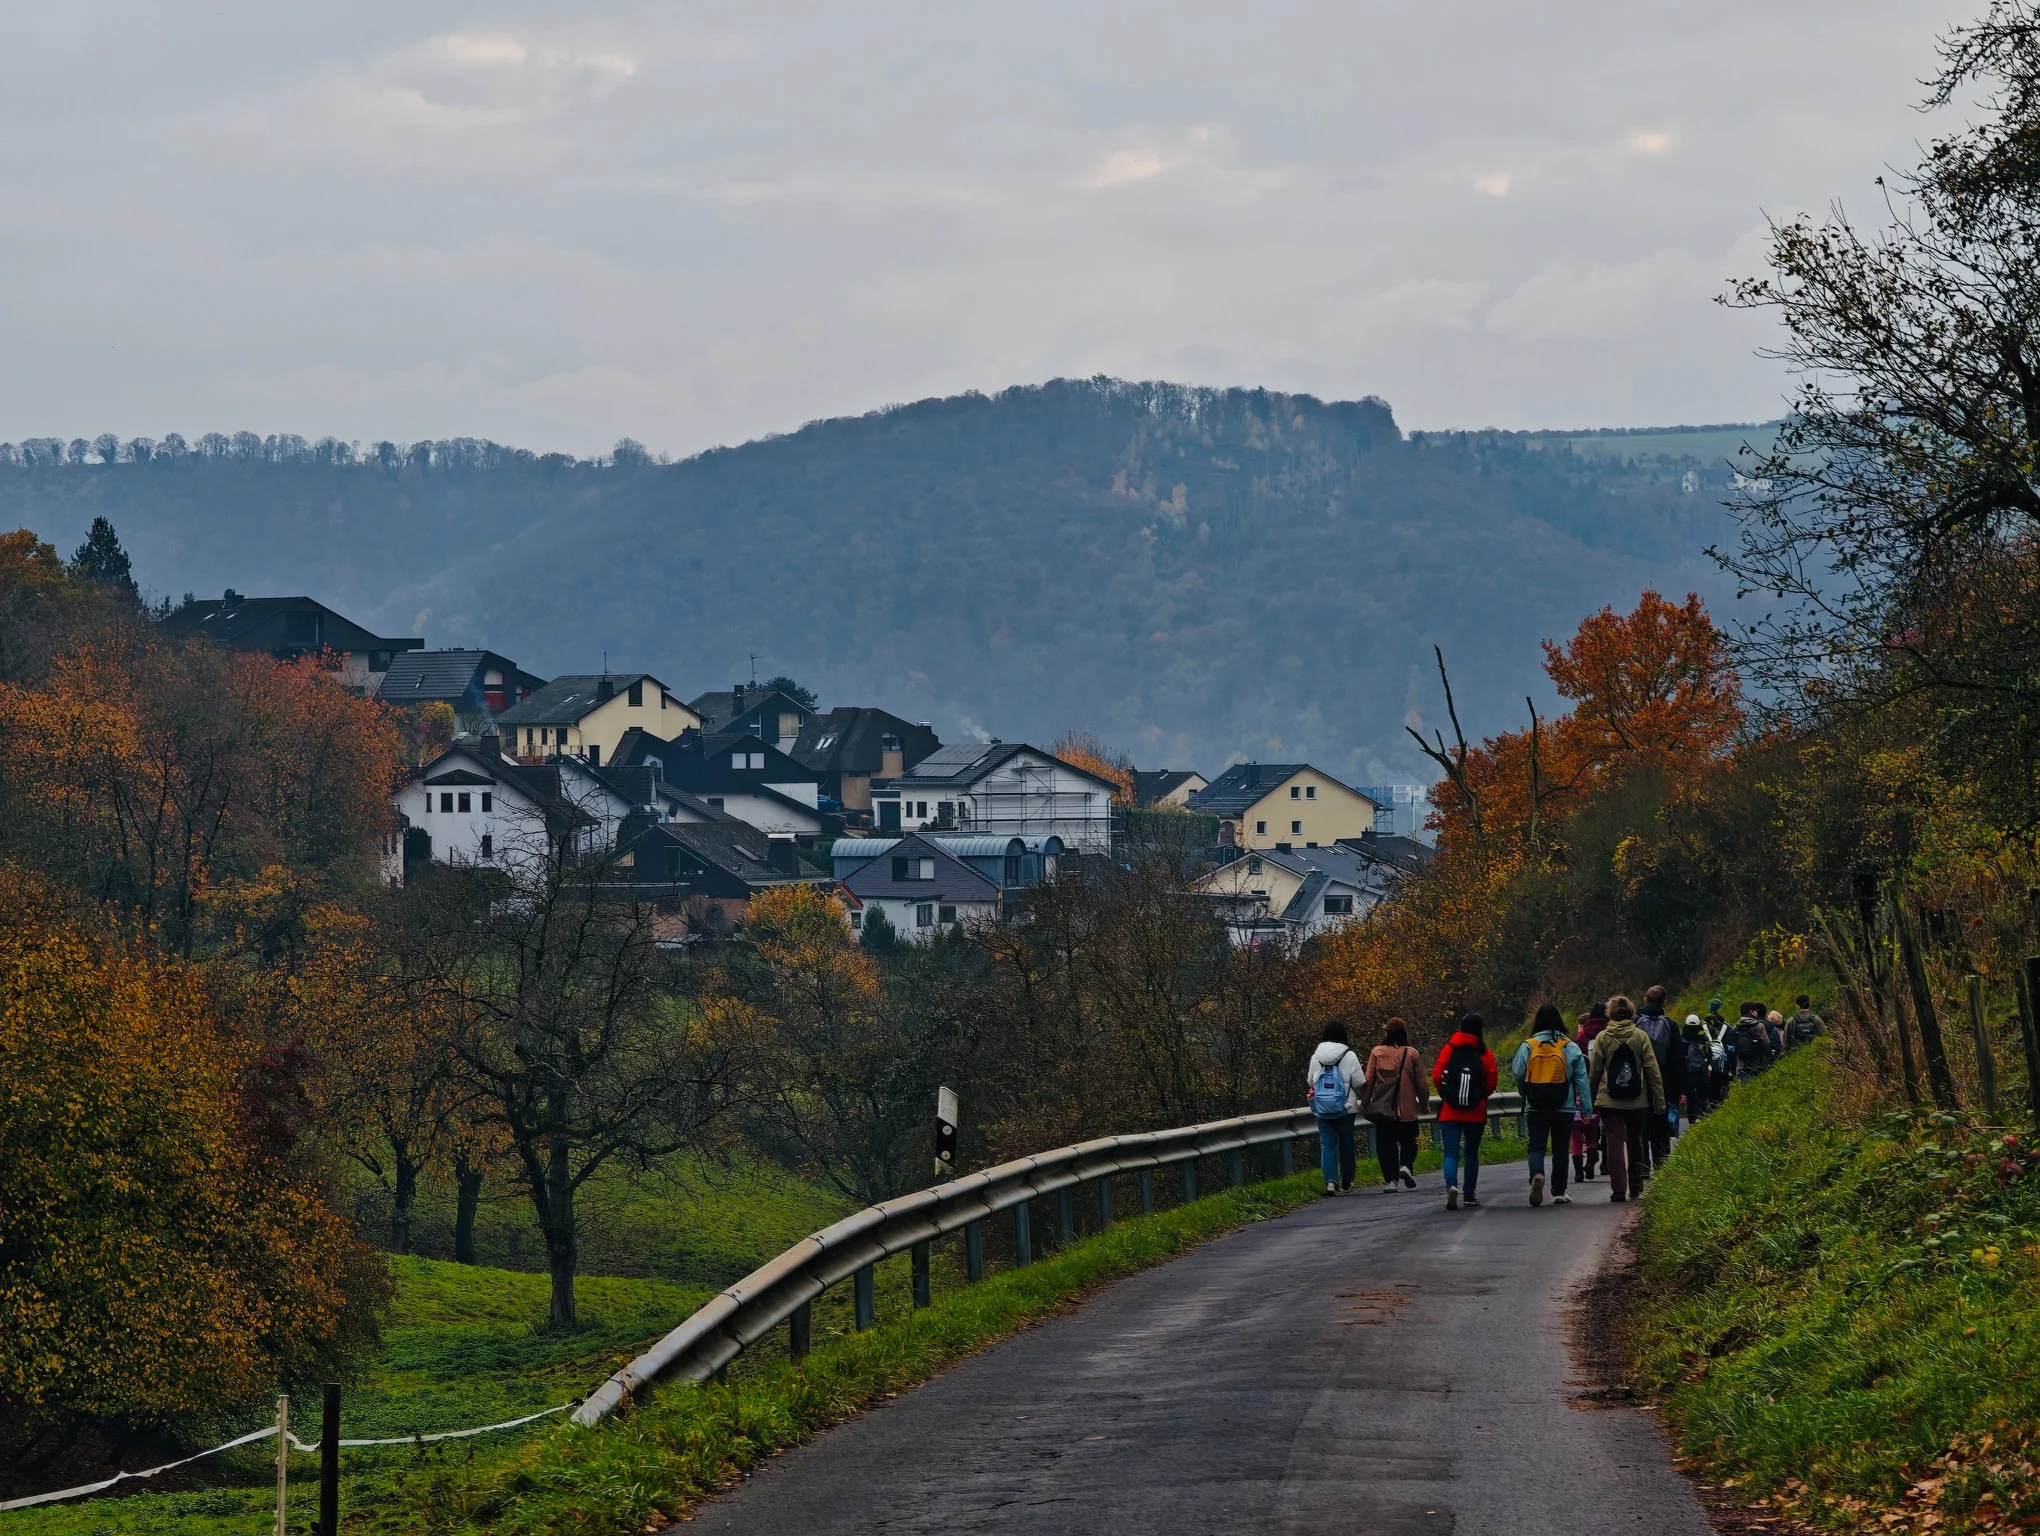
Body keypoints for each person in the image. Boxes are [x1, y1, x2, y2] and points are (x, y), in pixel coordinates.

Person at [1511, 1002, 1592, 1206]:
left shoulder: (1528, 1046)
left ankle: (1537, 1174)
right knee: (1560, 1148)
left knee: (1536, 1146)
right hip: (1563, 1106)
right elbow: (1582, 1080)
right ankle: (1559, 1192)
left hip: (1536, 1105)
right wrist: (1586, 1109)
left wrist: (1526, 1094)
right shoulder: (1570, 1047)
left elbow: (1519, 1073)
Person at [1588, 995, 1665, 1203]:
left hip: (1609, 1100)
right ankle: (1637, 1187)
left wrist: (1590, 1101)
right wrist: (1659, 1102)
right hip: (1637, 1099)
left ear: (1610, 1013)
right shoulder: (1640, 1036)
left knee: (1614, 1140)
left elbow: (1595, 1072)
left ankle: (1619, 1189)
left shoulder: (1603, 1037)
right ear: (1632, 1013)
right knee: (1635, 1140)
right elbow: (1652, 1071)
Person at [1432, 1011, 1499, 1210]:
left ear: (1460, 1028)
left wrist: (1445, 1093)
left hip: (1450, 1111)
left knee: (1450, 1153)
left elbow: (1436, 1075)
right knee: (1471, 1154)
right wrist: (1480, 1096)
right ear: (1481, 1031)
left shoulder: (1450, 1048)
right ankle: (1469, 1195)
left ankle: (1451, 1186)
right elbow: (1492, 1081)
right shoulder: (1484, 1053)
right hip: (1476, 1112)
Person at [1358, 1018, 1425, 1192]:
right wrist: (1424, 1104)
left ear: (1387, 1033)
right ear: (1405, 1033)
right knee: (1409, 1142)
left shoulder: (1377, 1052)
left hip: (1384, 1110)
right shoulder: (1412, 1053)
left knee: (1386, 1146)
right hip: (1408, 1110)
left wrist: (1364, 1103)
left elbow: (1369, 1081)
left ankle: (1391, 1182)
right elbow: (1421, 1084)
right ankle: (1406, 1166)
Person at [1305, 1021, 1363, 1195]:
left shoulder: (1316, 1056)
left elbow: (1310, 1082)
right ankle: (1346, 1181)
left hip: (1322, 1108)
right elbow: (1359, 1082)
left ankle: (1330, 1182)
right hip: (1346, 1108)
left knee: (1327, 1145)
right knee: (1346, 1144)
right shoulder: (1349, 1055)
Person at [1636, 985, 1682, 1173]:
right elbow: (1678, 1060)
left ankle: (1642, 1165)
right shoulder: (1670, 1025)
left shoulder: (1635, 1023)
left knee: (1640, 1126)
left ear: (1645, 1000)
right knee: (1661, 1126)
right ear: (1664, 1002)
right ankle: (1661, 1167)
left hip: (1639, 1081)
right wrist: (1679, 1090)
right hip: (1664, 1081)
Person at [1572, 1003, 1609, 1182]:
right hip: (1606, 1088)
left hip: (1582, 1093)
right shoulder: (1608, 1034)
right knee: (1603, 1129)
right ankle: (1602, 1163)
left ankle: (1579, 1171)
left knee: (1577, 1138)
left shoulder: (1580, 1038)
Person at [1678, 1014, 1715, 1125]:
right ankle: (1703, 1118)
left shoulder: (1682, 1040)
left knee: (1691, 1099)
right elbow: (1709, 1054)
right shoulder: (1703, 1039)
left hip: (1688, 1074)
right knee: (1702, 1096)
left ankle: (1692, 1121)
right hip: (1702, 1073)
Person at [1702, 999, 1733, 1107]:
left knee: (1710, 1093)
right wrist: (1732, 1069)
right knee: (1722, 1093)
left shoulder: (1702, 1028)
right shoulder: (1727, 1028)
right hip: (1723, 1067)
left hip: (1707, 1068)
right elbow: (1732, 1050)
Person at [1731, 1002, 1774, 1079]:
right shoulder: (1759, 1026)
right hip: (1758, 1064)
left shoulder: (1735, 1028)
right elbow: (1766, 1044)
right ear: (1751, 1011)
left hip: (1742, 1065)